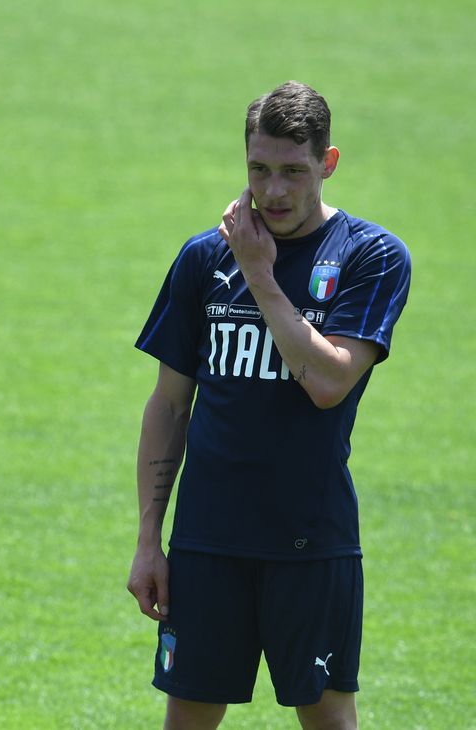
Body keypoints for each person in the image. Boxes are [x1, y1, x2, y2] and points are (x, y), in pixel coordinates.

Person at [126, 82, 411, 730]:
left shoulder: (371, 257)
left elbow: (328, 380)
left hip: (310, 541)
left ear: (328, 163)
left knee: (329, 720)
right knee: (188, 719)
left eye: (293, 171)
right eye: (259, 169)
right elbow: (169, 406)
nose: (274, 191)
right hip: (206, 542)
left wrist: (259, 272)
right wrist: (149, 540)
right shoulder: (203, 259)